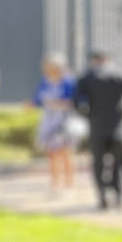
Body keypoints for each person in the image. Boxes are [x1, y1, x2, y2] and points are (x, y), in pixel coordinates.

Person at [75, 51, 122, 211]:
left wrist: (87, 114)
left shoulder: (87, 77)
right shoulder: (120, 75)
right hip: (118, 127)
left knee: (99, 164)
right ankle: (118, 197)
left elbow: (76, 100)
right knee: (119, 164)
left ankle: (102, 197)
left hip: (97, 127)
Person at [32, 55, 78, 196]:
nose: (47, 70)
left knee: (65, 152)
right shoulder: (45, 82)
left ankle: (69, 183)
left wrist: (57, 103)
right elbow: (38, 99)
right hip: (49, 120)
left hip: (64, 119)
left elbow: (73, 101)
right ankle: (55, 183)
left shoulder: (68, 81)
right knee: (52, 152)